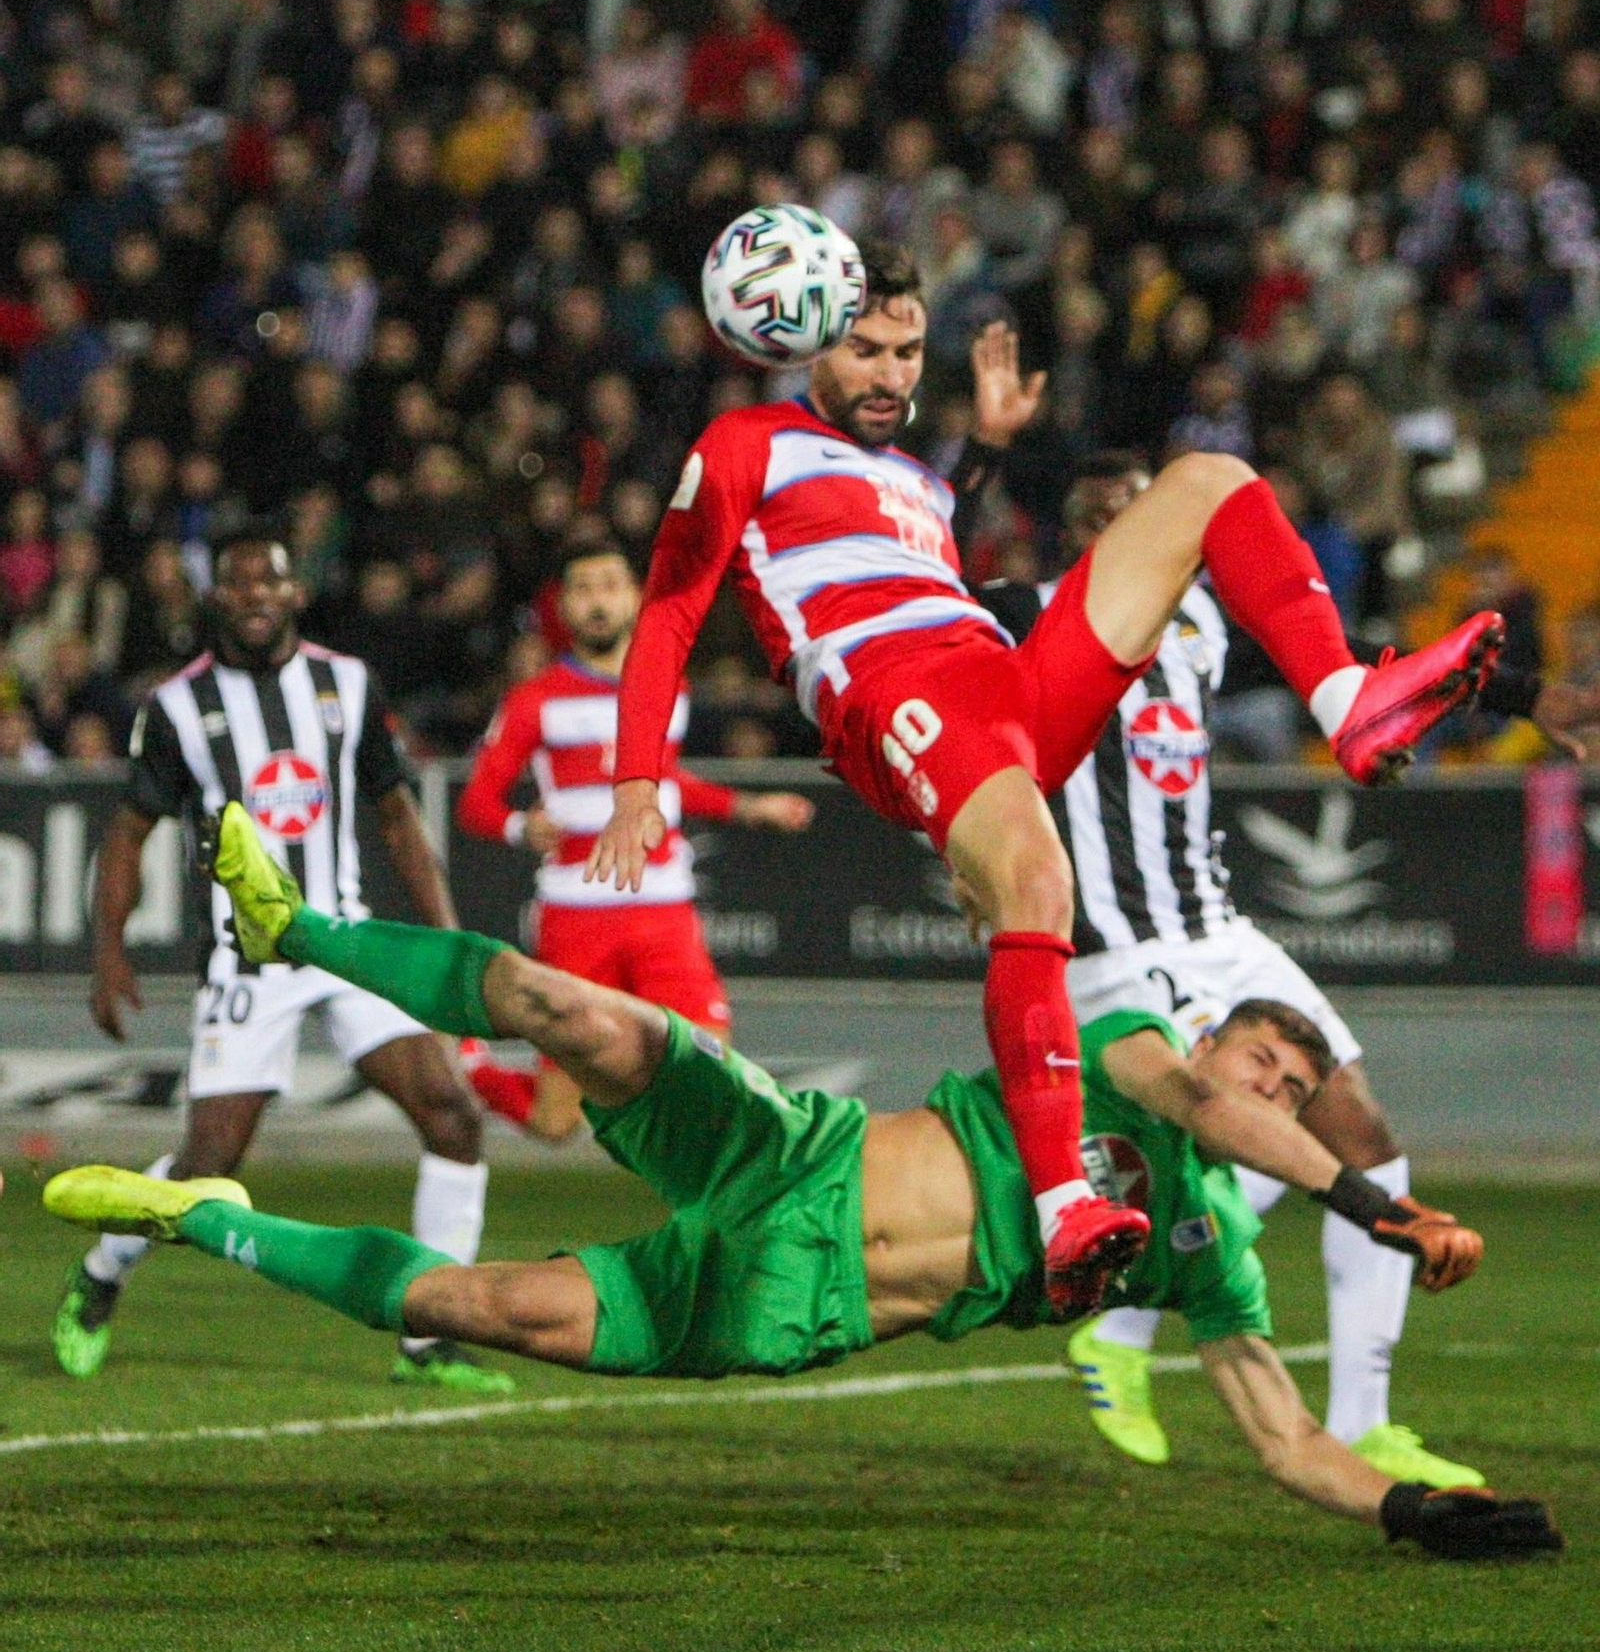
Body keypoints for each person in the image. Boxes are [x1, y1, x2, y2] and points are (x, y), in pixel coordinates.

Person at [45, 808, 1562, 1566]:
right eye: (1262, 1059)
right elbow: (1218, 1115)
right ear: (1215, 1037)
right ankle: (297, 921)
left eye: (1299, 1087)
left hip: (790, 1299)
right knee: (555, 1000)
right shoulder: (1128, 1052)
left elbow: (1289, 1439)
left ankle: (199, 1217)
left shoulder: (1198, 1250)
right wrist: (1378, 1203)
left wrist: (1424, 1509)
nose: (1270, 1090)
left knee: (472, 1299)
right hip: (794, 1151)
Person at [586, 247, 1506, 1316]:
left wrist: (983, 444)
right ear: (799, 344)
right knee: (1037, 885)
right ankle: (1065, 1201)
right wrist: (636, 776)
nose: (891, 372)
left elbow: (926, 516)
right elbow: (669, 608)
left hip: (1000, 684)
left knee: (1209, 482)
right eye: (865, 350)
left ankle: (1346, 698)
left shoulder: (912, 478)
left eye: (906, 350)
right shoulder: (747, 443)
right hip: (896, 695)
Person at [974, 449, 1600, 1484]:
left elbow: (1368, 662)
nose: (1136, 529)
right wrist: (983, 453)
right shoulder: (1016, 611)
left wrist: (1534, 698)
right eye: (1104, 513)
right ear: (1082, 530)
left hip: (1215, 926)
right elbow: (911, 593)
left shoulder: (1207, 622)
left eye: (1144, 510)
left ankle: (1361, 1419)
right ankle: (1119, 1331)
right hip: (1108, 941)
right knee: (1221, 1128)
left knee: (1360, 1127)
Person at [52, 528, 509, 1396]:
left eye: (272, 580)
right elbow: (127, 833)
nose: (256, 593)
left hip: (343, 942)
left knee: (452, 1115)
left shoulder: (346, 684)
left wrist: (445, 939)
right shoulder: (179, 707)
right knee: (209, 1170)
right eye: (238, 581)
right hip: (246, 960)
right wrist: (107, 953)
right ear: (216, 597)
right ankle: (102, 1276)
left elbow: (399, 815)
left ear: (297, 594)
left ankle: (429, 1337)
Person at [454, 539, 813, 1138]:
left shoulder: (667, 685)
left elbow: (662, 782)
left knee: (713, 1084)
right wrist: (522, 826)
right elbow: (475, 803)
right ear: (564, 606)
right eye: (583, 588)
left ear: (635, 597)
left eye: (610, 586)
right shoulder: (534, 701)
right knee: (556, 1122)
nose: (597, 602)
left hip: (662, 913)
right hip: (578, 917)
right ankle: (467, 1060)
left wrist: (749, 806)